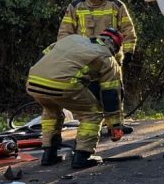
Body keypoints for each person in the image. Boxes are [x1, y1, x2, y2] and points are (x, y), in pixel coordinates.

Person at [26, 29, 127, 169]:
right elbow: (111, 94)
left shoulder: (72, 39)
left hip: (33, 82)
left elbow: (45, 55)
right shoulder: (107, 58)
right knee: (93, 114)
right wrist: (115, 125)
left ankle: (49, 155)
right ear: (115, 47)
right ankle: (82, 156)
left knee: (51, 112)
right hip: (63, 86)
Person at [58, 0, 137, 63]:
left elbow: (128, 30)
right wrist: (64, 52)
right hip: (83, 57)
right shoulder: (76, 6)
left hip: (109, 58)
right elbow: (65, 32)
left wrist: (128, 53)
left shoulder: (116, 6)